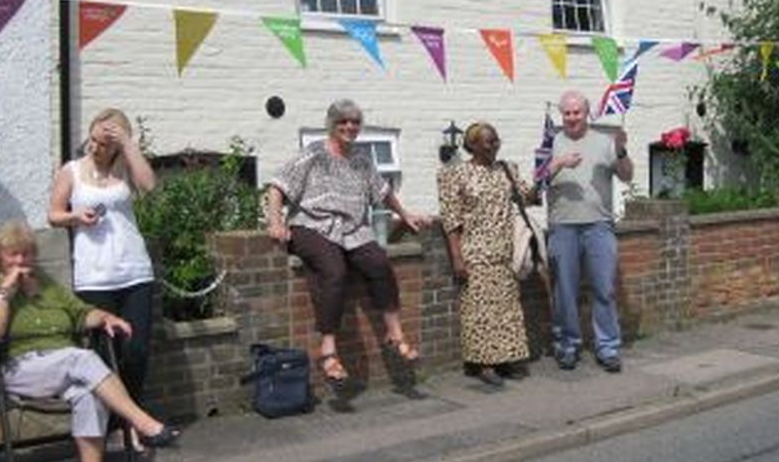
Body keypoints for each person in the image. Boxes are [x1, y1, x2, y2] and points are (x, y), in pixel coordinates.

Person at [0, 221, 179, 462]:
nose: (21, 260)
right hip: (19, 369)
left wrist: (107, 318)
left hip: (65, 366)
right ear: (0, 256)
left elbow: (82, 313)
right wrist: (6, 291)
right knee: (81, 358)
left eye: (26, 253)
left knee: (88, 394)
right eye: (13, 254)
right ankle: (140, 422)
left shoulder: (46, 284)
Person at [266, 99, 425, 391]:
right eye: (343, 122)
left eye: (354, 122)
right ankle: (328, 350)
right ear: (332, 125)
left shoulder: (362, 161)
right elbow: (277, 185)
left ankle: (395, 333)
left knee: (379, 263)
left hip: (352, 229)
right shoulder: (313, 154)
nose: (350, 127)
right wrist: (275, 223)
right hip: (312, 225)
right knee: (334, 271)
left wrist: (405, 215)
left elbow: (384, 191)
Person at [48, 108, 157, 447]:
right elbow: (52, 214)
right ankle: (109, 429)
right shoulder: (72, 171)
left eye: (103, 143)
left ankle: (132, 422)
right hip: (94, 278)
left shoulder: (126, 169)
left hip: (134, 272)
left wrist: (128, 143)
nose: (94, 147)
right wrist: (75, 216)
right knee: (101, 356)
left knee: (135, 352)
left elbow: (149, 186)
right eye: (92, 140)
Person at [437, 122, 540, 386]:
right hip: (475, 252)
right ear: (471, 144)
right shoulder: (455, 174)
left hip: (505, 250)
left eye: (496, 140)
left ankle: (506, 360)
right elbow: (451, 220)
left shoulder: (507, 169)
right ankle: (484, 365)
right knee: (480, 310)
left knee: (506, 310)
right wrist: (457, 257)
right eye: (488, 141)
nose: (494, 145)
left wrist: (542, 178)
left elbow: (527, 197)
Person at [546, 90, 633, 373]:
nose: (572, 118)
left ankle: (607, 348)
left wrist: (621, 150)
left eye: (577, 112)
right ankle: (567, 345)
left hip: (598, 225)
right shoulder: (551, 140)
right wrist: (558, 164)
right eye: (567, 113)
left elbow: (627, 175)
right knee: (565, 291)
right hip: (562, 226)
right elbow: (535, 181)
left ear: (587, 113)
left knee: (604, 288)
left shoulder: (604, 142)